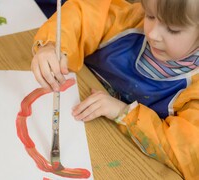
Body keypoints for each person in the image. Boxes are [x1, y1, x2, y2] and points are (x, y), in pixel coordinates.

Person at [31, 0, 199, 179]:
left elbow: (188, 154)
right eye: (150, 16)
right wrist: (52, 46)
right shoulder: (129, 21)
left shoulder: (194, 90)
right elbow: (83, 14)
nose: (153, 33)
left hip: (118, 160)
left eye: (172, 29)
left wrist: (123, 111)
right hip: (74, 113)